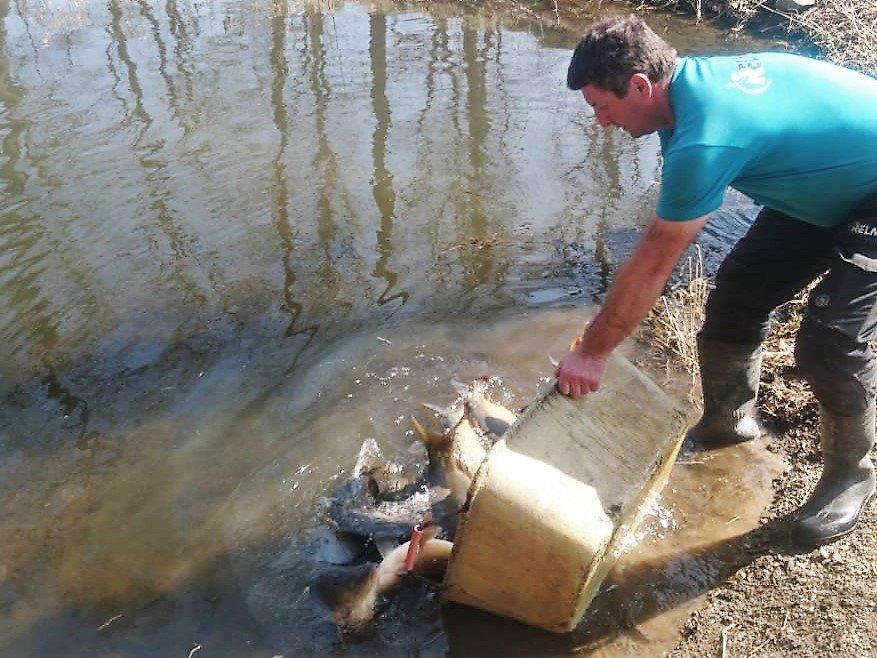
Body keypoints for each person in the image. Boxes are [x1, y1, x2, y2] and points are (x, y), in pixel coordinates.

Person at [556, 14, 877, 547]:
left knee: (831, 339)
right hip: (831, 181)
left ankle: (852, 475)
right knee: (738, 296)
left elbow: (653, 264)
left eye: (601, 106)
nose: (601, 122)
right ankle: (728, 424)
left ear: (640, 86)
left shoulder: (707, 138)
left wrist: (592, 352)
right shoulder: (684, 96)